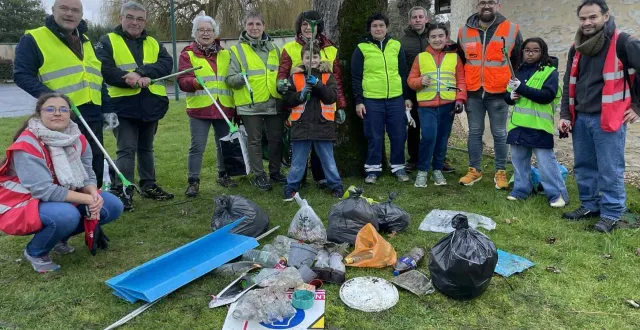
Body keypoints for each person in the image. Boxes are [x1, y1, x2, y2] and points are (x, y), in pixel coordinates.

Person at [0, 93, 124, 273]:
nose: (57, 113)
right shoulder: (26, 145)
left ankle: (58, 239)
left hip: (58, 196)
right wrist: (88, 200)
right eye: (50, 109)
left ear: (69, 114)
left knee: (112, 205)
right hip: (21, 203)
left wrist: (93, 194)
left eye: (63, 109)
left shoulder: (76, 137)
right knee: (67, 215)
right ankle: (35, 252)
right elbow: (44, 190)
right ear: (39, 113)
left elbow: (88, 173)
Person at [559, 0, 640, 232]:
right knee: (584, 166)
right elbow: (568, 82)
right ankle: (590, 206)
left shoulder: (623, 41)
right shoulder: (577, 47)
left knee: (609, 168)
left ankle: (612, 214)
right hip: (581, 117)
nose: (587, 22)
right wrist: (565, 113)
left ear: (606, 16)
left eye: (592, 17)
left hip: (609, 117)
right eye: (583, 18)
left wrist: (637, 106)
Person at [13, 0, 110, 189]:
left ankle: (94, 201)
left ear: (81, 14)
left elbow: (97, 77)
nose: (69, 14)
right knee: (64, 160)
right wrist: (54, 99)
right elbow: (22, 75)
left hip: (91, 112)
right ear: (53, 10)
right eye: (64, 8)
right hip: (59, 114)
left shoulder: (86, 41)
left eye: (75, 10)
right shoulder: (34, 38)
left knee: (93, 158)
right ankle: (70, 204)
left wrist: (108, 108)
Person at [95, 1, 174, 211]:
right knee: (126, 149)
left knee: (146, 148)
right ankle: (124, 190)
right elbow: (104, 69)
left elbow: (166, 64)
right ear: (121, 18)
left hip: (151, 105)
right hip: (123, 105)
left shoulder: (154, 42)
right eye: (129, 17)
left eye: (139, 19)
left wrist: (142, 72)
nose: (134, 22)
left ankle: (149, 185)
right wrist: (126, 78)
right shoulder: (107, 41)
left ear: (145, 21)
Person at [278, 10, 347, 189]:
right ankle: (294, 184)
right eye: (305, 25)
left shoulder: (330, 50)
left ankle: (326, 181)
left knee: (325, 156)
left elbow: (335, 84)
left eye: (312, 25)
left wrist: (340, 105)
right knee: (299, 158)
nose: (309, 28)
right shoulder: (290, 48)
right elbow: (284, 78)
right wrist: (288, 89)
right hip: (301, 121)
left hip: (322, 121)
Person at [457, 0, 523, 189]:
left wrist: (513, 86)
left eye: (491, 2)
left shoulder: (511, 29)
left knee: (500, 133)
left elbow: (517, 59)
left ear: (498, 5)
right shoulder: (463, 31)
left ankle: (500, 171)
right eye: (482, 2)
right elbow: (462, 61)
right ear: (477, 6)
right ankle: (474, 170)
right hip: (474, 92)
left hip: (499, 92)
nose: (487, 6)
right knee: (475, 132)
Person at [177, 16, 238, 197]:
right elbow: (182, 80)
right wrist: (194, 82)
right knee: (197, 146)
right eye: (201, 30)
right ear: (195, 33)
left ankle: (223, 175)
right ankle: (193, 181)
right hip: (200, 108)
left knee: (224, 144)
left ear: (215, 33)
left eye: (209, 30)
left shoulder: (226, 53)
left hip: (223, 106)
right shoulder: (187, 54)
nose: (205, 33)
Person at [504, 37, 568, 207]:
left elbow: (546, 96)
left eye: (535, 50)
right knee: (519, 162)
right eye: (527, 50)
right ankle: (521, 190)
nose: (530, 53)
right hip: (518, 125)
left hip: (540, 126)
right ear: (522, 52)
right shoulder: (517, 71)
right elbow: (508, 95)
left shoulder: (550, 72)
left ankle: (557, 195)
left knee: (547, 164)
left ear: (542, 52)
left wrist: (521, 88)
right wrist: (510, 96)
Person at [226, 11, 285, 192]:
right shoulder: (236, 50)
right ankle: (260, 175)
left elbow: (281, 73)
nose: (254, 27)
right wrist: (241, 79)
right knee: (255, 141)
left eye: (258, 24)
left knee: (276, 139)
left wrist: (283, 84)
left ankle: (275, 172)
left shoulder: (275, 49)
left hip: (274, 101)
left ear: (264, 26)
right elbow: (229, 79)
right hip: (250, 104)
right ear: (245, 27)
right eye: (250, 24)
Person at [352, 12, 412, 184]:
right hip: (371, 99)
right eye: (374, 26)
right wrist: (359, 101)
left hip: (396, 99)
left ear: (387, 27)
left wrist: (407, 97)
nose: (378, 29)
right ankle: (372, 169)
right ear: (370, 29)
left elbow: (403, 72)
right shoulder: (362, 48)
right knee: (374, 135)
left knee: (399, 134)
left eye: (381, 25)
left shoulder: (396, 46)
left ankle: (398, 167)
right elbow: (356, 77)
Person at [407, 23, 467, 188]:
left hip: (448, 105)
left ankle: (438, 169)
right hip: (426, 106)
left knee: (442, 138)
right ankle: (422, 170)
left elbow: (461, 80)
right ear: (428, 39)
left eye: (440, 36)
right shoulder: (421, 57)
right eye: (433, 36)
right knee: (428, 137)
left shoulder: (455, 57)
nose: (437, 39)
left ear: (446, 38)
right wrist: (420, 82)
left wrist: (460, 99)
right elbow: (411, 81)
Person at [281, 44, 343, 200]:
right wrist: (300, 96)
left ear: (319, 58)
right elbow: (287, 99)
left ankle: (336, 185)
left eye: (314, 57)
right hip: (301, 126)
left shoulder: (327, 76)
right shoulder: (295, 77)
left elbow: (331, 97)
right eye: (307, 57)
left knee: (328, 160)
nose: (311, 61)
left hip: (323, 125)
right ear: (302, 59)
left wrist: (318, 85)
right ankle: (291, 187)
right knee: (298, 162)